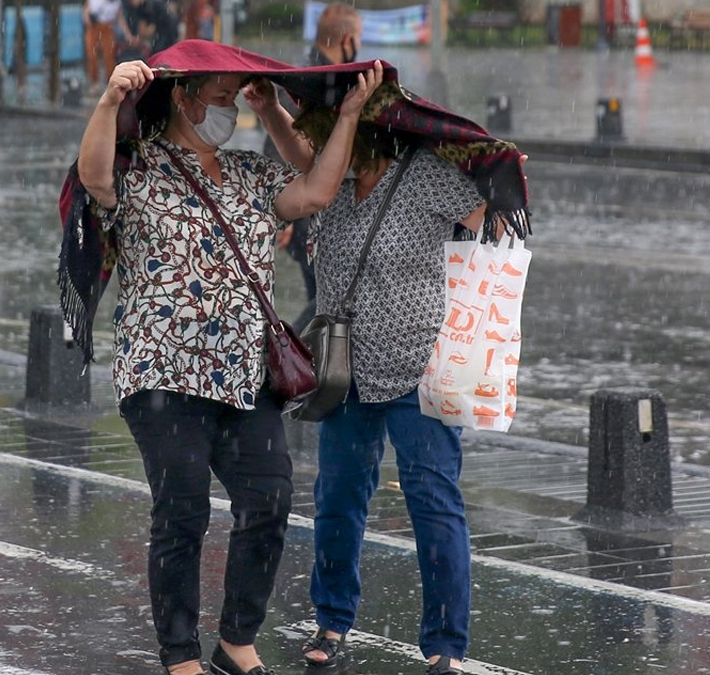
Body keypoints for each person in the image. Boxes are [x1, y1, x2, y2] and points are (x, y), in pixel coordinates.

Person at [73, 45, 382, 675]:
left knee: (269, 501)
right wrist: (109, 100)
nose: (228, 110)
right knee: (182, 506)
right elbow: (94, 178)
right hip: (162, 371)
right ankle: (180, 653)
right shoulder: (141, 168)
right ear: (182, 97)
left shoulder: (251, 172)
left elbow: (320, 188)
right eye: (219, 98)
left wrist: (340, 113)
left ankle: (236, 639)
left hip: (244, 375)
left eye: (234, 100)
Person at [255, 84, 528, 673]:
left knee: (433, 503)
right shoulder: (337, 178)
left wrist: (496, 171)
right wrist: (268, 109)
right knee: (337, 500)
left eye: (328, 130)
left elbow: (494, 220)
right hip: (344, 372)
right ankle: (331, 622)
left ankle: (445, 646)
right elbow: (299, 157)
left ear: (370, 131)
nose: (320, 142)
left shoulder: (425, 176)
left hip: (419, 369)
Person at [262, 2, 362, 332]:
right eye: (358, 39)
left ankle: (304, 361)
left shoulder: (313, 75)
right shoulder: (312, 82)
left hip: (313, 210)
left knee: (324, 296)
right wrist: (284, 217)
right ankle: (293, 355)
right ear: (348, 39)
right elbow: (278, 144)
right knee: (327, 299)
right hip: (307, 213)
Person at [83, 0, 120, 93]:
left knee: (109, 55)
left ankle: (110, 82)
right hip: (93, 26)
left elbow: (118, 14)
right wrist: (87, 18)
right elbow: (87, 8)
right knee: (91, 54)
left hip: (107, 26)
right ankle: (95, 82)